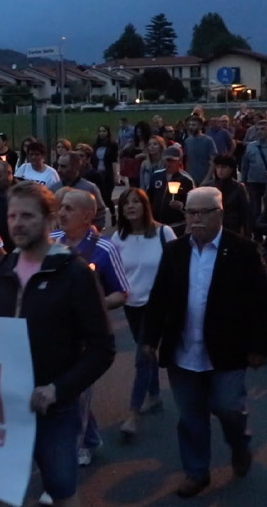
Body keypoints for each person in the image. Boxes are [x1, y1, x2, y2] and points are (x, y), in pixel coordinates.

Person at [0, 182, 115, 507]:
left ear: (49, 219)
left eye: (27, 216)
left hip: (54, 408)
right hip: (4, 404)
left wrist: (58, 389)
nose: (17, 223)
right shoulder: (3, 271)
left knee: (61, 491)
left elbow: (102, 348)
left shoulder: (74, 273)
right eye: (12, 216)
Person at [142, 186, 267, 498]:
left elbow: (260, 302)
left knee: (228, 408)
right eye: (191, 212)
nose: (195, 219)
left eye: (202, 212)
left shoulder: (243, 250)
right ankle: (196, 472)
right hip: (183, 350)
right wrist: (149, 339)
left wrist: (259, 347)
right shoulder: (175, 251)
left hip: (227, 351)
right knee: (190, 417)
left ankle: (239, 444)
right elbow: (159, 297)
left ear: (220, 214)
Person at [109, 188, 176, 440]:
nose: (131, 206)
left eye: (136, 202)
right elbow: (113, 270)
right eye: (126, 203)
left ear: (145, 206)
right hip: (131, 304)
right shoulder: (119, 238)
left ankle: (133, 414)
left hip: (157, 305)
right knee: (146, 351)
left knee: (143, 355)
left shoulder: (163, 233)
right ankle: (155, 395)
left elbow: (177, 265)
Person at [48, 151, 108, 229]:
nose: (59, 170)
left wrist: (95, 229)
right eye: (58, 165)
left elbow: (100, 212)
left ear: (75, 167)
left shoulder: (90, 188)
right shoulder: (53, 188)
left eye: (63, 166)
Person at [240, 119, 267, 222]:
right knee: (254, 210)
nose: (260, 132)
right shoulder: (250, 146)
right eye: (257, 129)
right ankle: (256, 230)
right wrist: (243, 181)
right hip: (253, 181)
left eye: (263, 129)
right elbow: (245, 165)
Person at [210, 155, 250, 237]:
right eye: (218, 167)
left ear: (231, 169)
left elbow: (245, 212)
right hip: (214, 226)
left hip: (232, 227)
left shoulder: (239, 187)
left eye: (224, 167)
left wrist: (246, 232)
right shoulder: (210, 186)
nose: (220, 170)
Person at [183, 116, 218, 185]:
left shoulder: (208, 140)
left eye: (193, 125)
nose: (191, 127)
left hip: (206, 179)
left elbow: (213, 161)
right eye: (190, 125)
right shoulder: (187, 141)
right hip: (192, 178)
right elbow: (187, 160)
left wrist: (206, 179)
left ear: (200, 126)